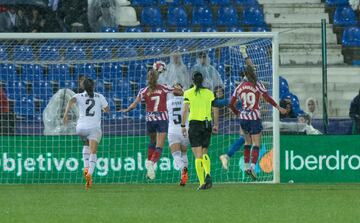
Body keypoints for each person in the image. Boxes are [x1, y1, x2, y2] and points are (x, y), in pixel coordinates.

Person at [229, 45, 286, 180]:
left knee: (247, 143)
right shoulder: (257, 84)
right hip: (254, 117)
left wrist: (238, 112)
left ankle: (247, 165)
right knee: (256, 144)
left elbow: (230, 104)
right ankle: (253, 167)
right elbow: (267, 98)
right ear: (252, 73)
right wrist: (278, 108)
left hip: (243, 117)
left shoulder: (239, 87)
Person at [120, 69, 179, 180]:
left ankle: (149, 169)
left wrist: (126, 110)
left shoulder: (144, 90)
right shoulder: (163, 87)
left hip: (150, 119)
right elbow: (178, 92)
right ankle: (151, 163)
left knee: (152, 141)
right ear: (157, 78)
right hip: (161, 118)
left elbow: (134, 104)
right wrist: (180, 89)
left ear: (147, 78)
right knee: (159, 145)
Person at [63, 78, 109, 189]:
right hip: (94, 128)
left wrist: (66, 114)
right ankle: (89, 174)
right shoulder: (99, 96)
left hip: (80, 128)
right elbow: (107, 110)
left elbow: (70, 101)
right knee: (93, 152)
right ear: (93, 86)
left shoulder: (78, 96)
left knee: (86, 145)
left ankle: (85, 168)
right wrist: (101, 109)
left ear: (83, 87)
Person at [181, 71, 219, 190]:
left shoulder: (188, 93)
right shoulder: (209, 93)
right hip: (207, 124)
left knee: (198, 156)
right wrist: (216, 124)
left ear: (192, 81)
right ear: (202, 80)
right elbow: (215, 109)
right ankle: (208, 173)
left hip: (195, 124)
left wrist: (182, 125)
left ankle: (202, 182)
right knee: (204, 152)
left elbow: (185, 110)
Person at [166, 83, 189, 186]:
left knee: (176, 155)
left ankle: (182, 168)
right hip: (185, 129)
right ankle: (183, 177)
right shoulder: (187, 101)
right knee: (184, 153)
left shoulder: (168, 102)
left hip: (173, 131)